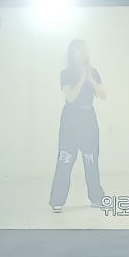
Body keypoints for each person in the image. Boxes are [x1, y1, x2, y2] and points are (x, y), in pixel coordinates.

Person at [48, 39, 106, 213]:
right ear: (72, 53)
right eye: (79, 50)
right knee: (65, 160)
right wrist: (81, 78)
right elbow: (70, 97)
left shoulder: (94, 72)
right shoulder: (66, 73)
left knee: (91, 160)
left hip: (89, 118)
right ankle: (57, 200)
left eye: (85, 49)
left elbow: (103, 95)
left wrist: (90, 78)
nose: (84, 52)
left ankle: (96, 198)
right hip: (71, 120)